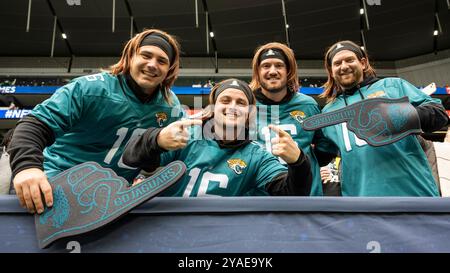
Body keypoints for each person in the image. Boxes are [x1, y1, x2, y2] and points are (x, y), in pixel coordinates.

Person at [8, 29, 184, 214]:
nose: (152, 65)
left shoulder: (170, 106)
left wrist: (152, 154)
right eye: (146, 55)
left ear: (169, 69)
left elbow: (157, 161)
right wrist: (27, 167)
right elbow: (35, 124)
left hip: (112, 198)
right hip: (56, 185)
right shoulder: (90, 88)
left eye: (162, 61)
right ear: (130, 57)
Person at [122, 79, 312, 197]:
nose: (233, 106)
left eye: (241, 103)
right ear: (212, 108)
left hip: (219, 235)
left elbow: (291, 193)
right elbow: (131, 158)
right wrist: (156, 140)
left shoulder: (258, 156)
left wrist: (298, 162)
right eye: (225, 100)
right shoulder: (186, 135)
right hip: (167, 229)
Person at [317, 40, 449, 196]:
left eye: (349, 60)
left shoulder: (393, 86)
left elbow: (438, 113)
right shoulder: (329, 112)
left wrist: (399, 117)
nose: (344, 66)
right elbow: (321, 153)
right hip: (362, 203)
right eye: (337, 63)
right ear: (331, 71)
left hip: (414, 193)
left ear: (363, 63)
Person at [249, 42, 336, 196]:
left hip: (305, 198)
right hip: (260, 199)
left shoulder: (307, 105)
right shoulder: (247, 105)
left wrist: (304, 162)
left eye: (279, 65)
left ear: (288, 70)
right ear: (257, 71)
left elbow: (326, 148)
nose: (273, 71)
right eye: (266, 66)